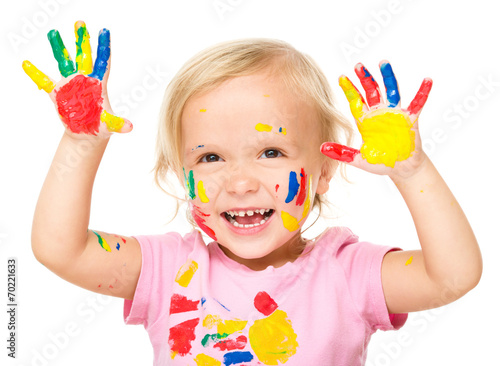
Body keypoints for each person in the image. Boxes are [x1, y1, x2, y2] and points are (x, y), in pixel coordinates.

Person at [25, 21, 482, 365]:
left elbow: (453, 276)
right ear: (181, 176)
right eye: (210, 159)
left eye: (270, 151)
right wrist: (80, 144)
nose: (240, 182)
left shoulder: (346, 274)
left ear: (324, 171)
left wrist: (412, 171)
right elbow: (60, 249)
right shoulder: (170, 270)